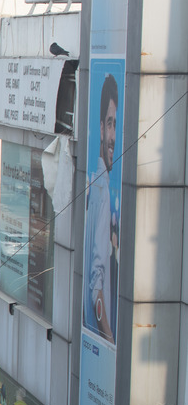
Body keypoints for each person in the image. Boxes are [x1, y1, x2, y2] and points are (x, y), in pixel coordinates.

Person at [84, 72, 118, 343]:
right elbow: (97, 286)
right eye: (110, 124)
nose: (114, 137)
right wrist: (109, 339)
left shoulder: (91, 178)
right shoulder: (103, 188)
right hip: (98, 336)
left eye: (117, 125)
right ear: (100, 127)